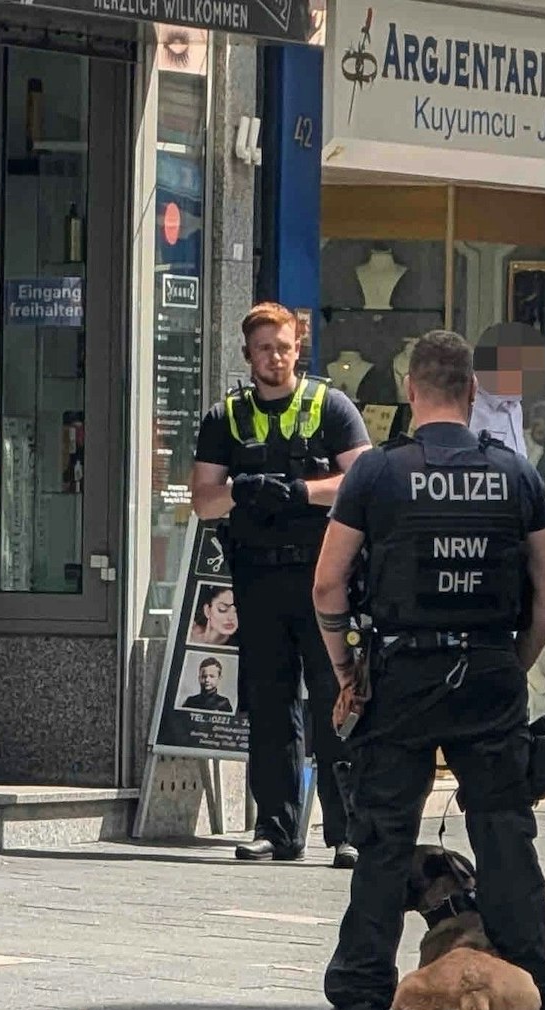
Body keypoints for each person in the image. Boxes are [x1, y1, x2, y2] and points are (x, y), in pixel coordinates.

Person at [304, 329, 545, 1010]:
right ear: (473, 393)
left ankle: (358, 1005)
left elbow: (328, 581)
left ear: (412, 389)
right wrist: (514, 661)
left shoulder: (377, 475)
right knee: (506, 836)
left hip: (402, 676)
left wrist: (346, 671)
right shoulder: (515, 473)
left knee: (383, 842)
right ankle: (537, 999)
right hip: (487, 673)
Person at [190, 301, 371, 865]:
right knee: (268, 705)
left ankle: (347, 833)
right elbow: (203, 500)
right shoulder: (225, 418)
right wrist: (244, 490)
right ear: (247, 354)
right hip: (257, 576)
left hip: (324, 576)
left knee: (333, 701)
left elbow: (364, 480)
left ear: (299, 349)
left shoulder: (330, 406)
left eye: (284, 347)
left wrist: (300, 492)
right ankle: (276, 828)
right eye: (264, 348)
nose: (275, 357)